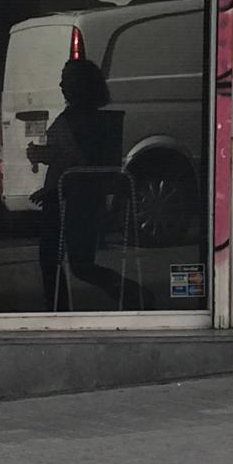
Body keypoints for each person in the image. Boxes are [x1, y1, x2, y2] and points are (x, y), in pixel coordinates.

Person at [30, 57, 146, 311]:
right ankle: (132, 294)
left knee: (59, 262)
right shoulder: (91, 119)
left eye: (67, 80)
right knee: (78, 264)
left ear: (80, 85)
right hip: (76, 196)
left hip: (72, 198)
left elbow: (76, 161)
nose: (61, 85)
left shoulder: (79, 121)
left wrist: (45, 157)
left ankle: (60, 309)